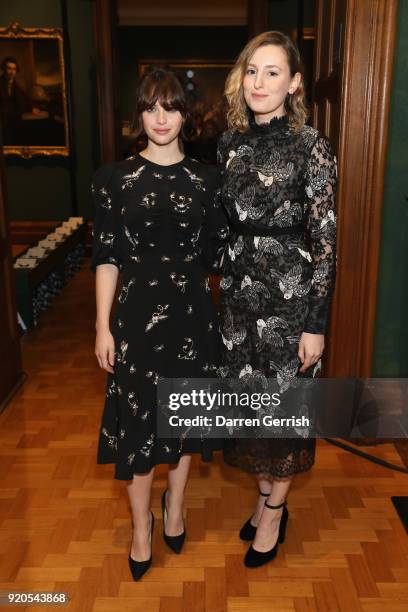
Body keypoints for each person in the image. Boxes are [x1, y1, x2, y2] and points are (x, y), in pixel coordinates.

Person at [91, 68, 228, 581]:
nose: (161, 117)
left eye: (170, 107)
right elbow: (106, 257)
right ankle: (140, 526)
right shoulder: (114, 179)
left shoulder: (208, 180)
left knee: (185, 418)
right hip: (133, 322)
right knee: (140, 427)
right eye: (151, 107)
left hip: (193, 318)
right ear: (139, 115)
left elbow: (220, 256)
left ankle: (175, 504)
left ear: (184, 116)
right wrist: (102, 327)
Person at [217, 31, 337, 568]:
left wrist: (316, 321)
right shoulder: (228, 145)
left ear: (293, 84)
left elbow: (326, 241)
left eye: (272, 72)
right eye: (251, 71)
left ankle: (273, 509)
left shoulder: (312, 145)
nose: (259, 82)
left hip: (290, 302)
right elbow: (221, 229)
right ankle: (269, 495)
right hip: (238, 302)